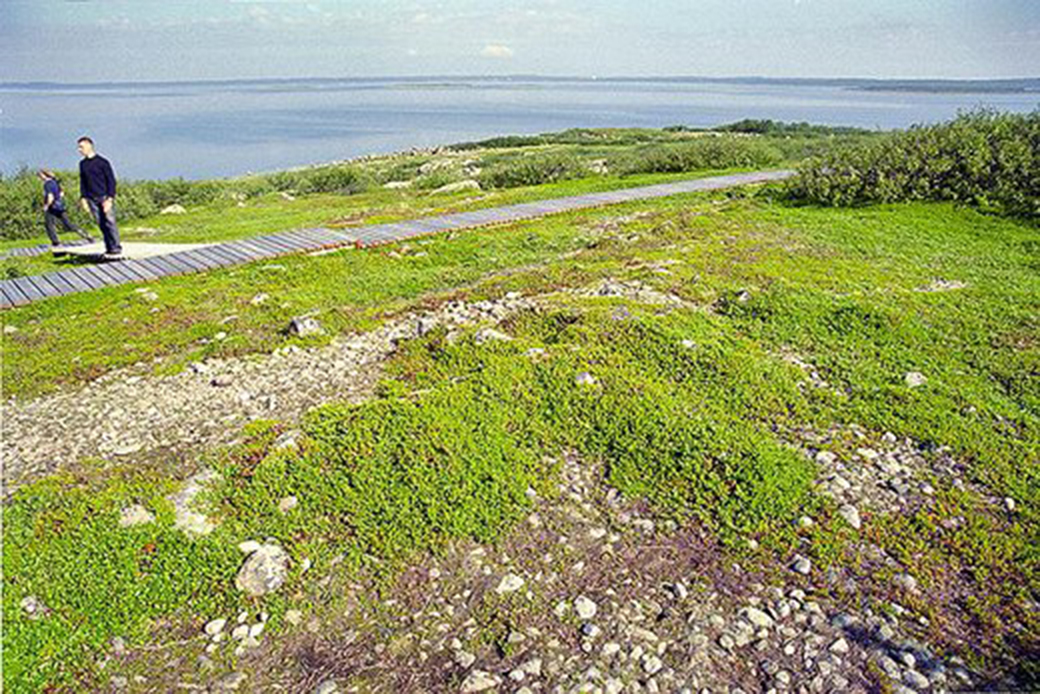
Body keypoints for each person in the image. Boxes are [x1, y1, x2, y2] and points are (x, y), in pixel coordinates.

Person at [77, 136, 122, 257]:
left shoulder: (103, 162)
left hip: (104, 197)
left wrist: (110, 199)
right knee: (101, 224)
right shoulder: (82, 164)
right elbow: (83, 182)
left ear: (89, 145)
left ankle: (116, 247)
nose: (79, 150)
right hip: (91, 199)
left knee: (110, 222)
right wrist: (83, 198)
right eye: (79, 147)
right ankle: (109, 248)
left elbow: (111, 181)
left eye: (81, 147)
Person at [39, 169, 93, 250]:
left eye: (40, 176)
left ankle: (55, 242)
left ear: (44, 175)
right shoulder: (55, 182)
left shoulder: (47, 184)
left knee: (49, 224)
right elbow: (62, 193)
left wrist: (46, 206)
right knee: (68, 224)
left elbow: (50, 197)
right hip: (60, 207)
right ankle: (85, 234)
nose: (39, 178)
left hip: (52, 207)